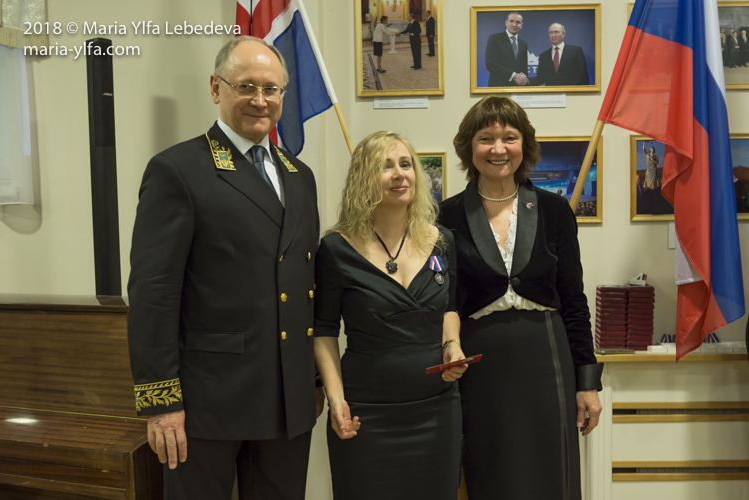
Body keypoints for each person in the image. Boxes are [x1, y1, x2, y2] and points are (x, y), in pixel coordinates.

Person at [127, 36, 322, 500]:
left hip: (287, 398)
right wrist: (161, 402)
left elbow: (301, 284)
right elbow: (154, 294)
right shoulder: (179, 169)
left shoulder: (300, 176)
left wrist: (312, 381)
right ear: (216, 88)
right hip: (207, 403)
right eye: (246, 86)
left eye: (271, 89)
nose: (260, 100)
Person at [439, 96, 603, 500]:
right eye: (486, 138)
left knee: (552, 477)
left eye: (509, 137)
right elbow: (445, 301)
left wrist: (588, 382)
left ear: (524, 145)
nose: (498, 149)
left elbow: (574, 300)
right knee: (491, 474)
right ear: (469, 147)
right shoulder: (446, 217)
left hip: (548, 358)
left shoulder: (554, 210)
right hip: (481, 365)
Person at [314, 131, 467, 499]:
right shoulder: (335, 249)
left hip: (436, 409)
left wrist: (452, 344)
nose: (400, 174)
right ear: (363, 179)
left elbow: (448, 308)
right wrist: (336, 400)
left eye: (406, 164)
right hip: (366, 412)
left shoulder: (442, 240)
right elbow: (323, 331)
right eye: (385, 166)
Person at [485, 12, 529, 86]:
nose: (514, 24)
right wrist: (514, 75)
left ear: (521, 25)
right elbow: (491, 64)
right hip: (498, 87)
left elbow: (524, 69)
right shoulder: (495, 39)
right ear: (506, 23)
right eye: (511, 21)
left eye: (518, 22)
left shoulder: (523, 44)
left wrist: (523, 81)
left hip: (517, 89)